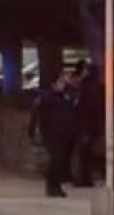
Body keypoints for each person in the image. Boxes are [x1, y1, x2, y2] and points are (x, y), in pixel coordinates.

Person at [30, 68, 79, 197]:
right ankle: (52, 186)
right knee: (56, 161)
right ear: (54, 83)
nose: (63, 84)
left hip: (64, 134)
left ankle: (56, 186)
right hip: (52, 134)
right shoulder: (47, 97)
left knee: (61, 161)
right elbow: (36, 115)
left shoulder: (64, 96)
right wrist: (33, 131)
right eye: (61, 81)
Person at [72, 60, 102, 187]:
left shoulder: (86, 86)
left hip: (86, 125)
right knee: (87, 154)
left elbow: (86, 109)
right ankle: (86, 178)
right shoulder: (96, 86)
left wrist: (85, 129)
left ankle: (83, 179)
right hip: (93, 125)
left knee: (83, 153)